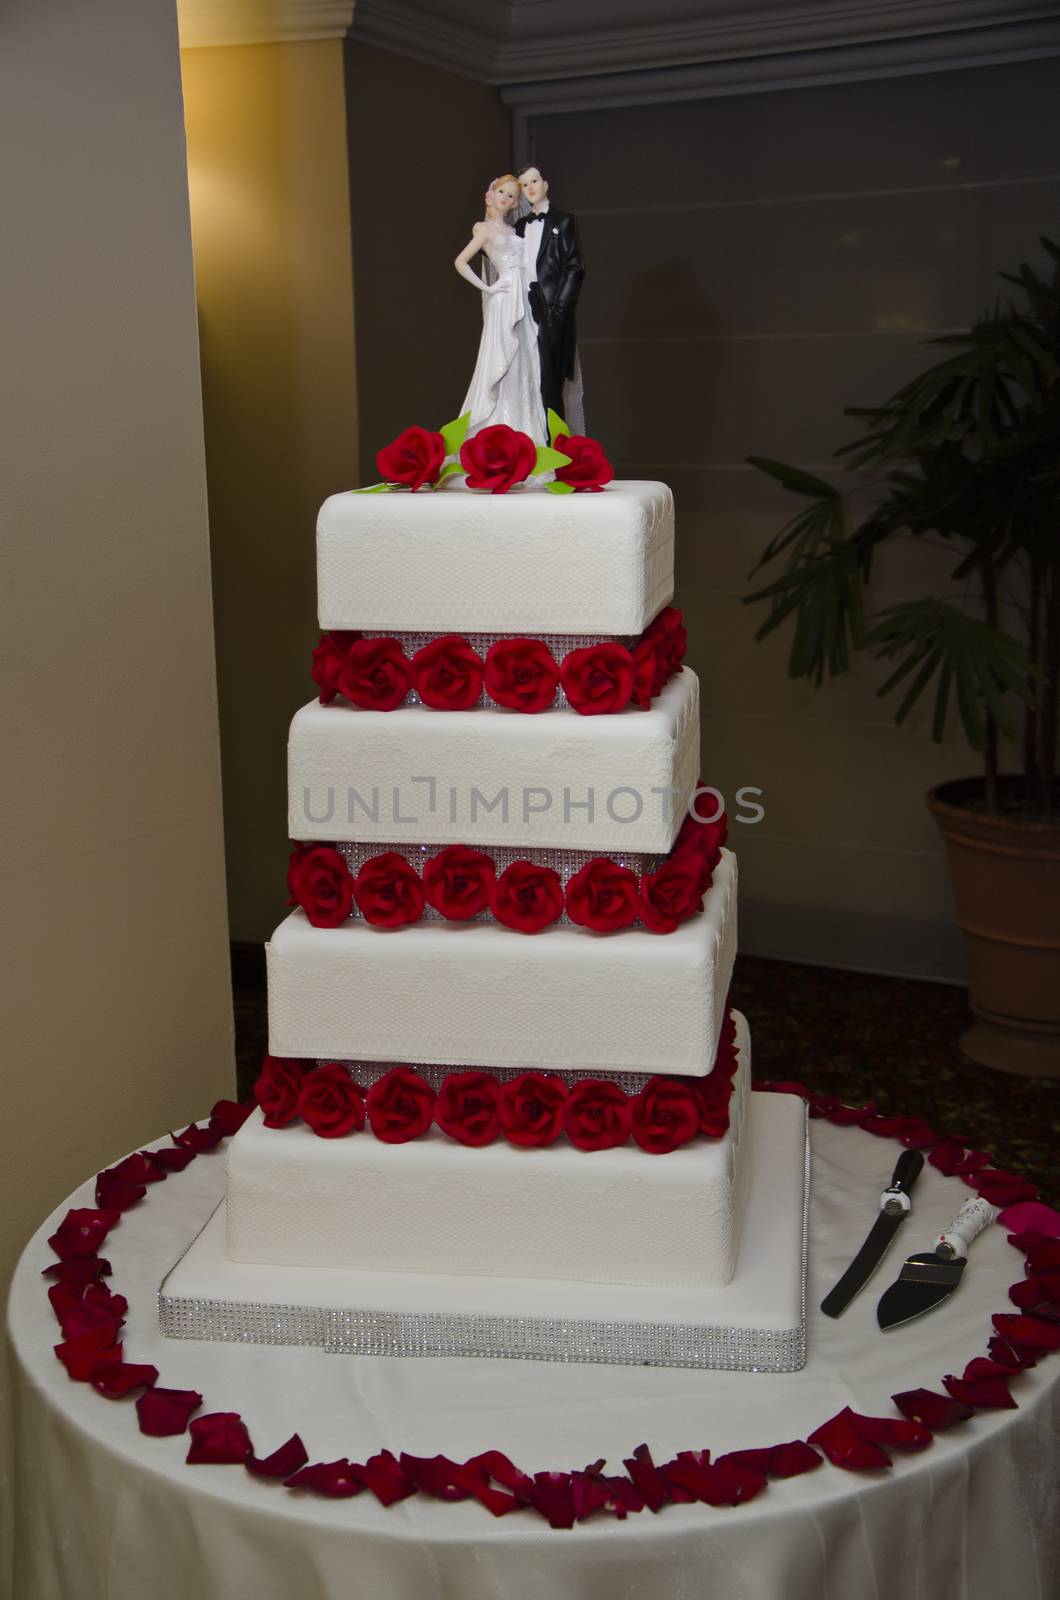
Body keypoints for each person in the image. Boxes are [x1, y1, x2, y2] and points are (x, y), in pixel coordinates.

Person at [453, 174, 546, 443]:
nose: (505, 199)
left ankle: (526, 435)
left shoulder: (512, 231)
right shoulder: (483, 229)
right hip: (505, 299)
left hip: (523, 299)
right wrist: (488, 288)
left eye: (511, 196)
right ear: (490, 194)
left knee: (524, 360)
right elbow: (460, 262)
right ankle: (494, 432)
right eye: (502, 192)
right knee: (503, 358)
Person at [514, 165, 585, 429]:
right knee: (527, 378)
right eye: (524, 184)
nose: (530, 187)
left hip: (551, 307)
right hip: (523, 305)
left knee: (550, 384)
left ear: (545, 183)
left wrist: (560, 307)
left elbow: (575, 266)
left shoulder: (563, 221)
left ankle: (557, 447)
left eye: (534, 181)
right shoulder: (520, 226)